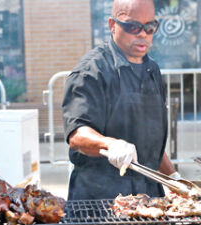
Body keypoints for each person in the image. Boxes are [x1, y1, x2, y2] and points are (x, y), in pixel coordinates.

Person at [62, 0, 180, 200]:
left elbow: (150, 146)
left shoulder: (152, 70)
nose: (142, 34)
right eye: (133, 26)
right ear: (112, 25)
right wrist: (110, 144)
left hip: (149, 196)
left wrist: (174, 178)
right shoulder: (91, 71)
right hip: (99, 198)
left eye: (150, 27)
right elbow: (77, 135)